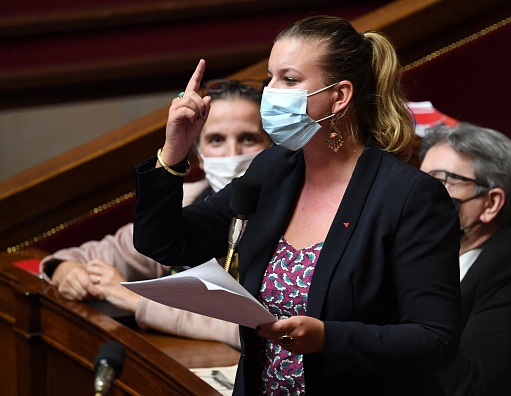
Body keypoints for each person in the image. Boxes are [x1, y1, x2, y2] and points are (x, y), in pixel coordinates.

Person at [133, 15, 462, 395]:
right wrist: (174, 152)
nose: (270, 92)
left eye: (288, 80)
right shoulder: (273, 170)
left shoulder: (409, 197)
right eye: (269, 78)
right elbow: (166, 243)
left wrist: (328, 338)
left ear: (340, 96)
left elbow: (435, 341)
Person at [38, 79, 271, 349]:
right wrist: (67, 272)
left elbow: (266, 329)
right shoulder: (184, 202)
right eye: (216, 140)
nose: (232, 154)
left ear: (272, 148)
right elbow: (73, 258)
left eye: (248, 139)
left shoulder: (294, 213)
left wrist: (140, 303)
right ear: (199, 153)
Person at [419, 122, 511, 395]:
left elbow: (469, 384)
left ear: (491, 203)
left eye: (443, 181)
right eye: (421, 180)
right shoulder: (418, 246)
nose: (420, 195)